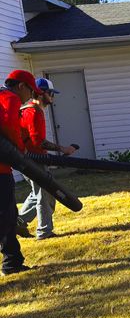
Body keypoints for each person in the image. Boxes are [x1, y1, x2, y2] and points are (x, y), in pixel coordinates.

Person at [17, 78, 77, 240]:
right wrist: (62, 149)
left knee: (37, 193)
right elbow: (38, 141)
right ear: (42, 93)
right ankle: (44, 232)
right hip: (33, 160)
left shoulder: (26, 109)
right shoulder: (34, 111)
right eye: (51, 93)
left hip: (24, 159)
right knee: (45, 195)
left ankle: (19, 222)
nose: (53, 97)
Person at [0, 69, 42, 275]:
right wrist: (20, 150)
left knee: (9, 215)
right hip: (1, 170)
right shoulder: (9, 98)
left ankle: (12, 262)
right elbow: (9, 126)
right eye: (31, 91)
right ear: (21, 86)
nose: (31, 96)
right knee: (6, 217)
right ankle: (11, 262)